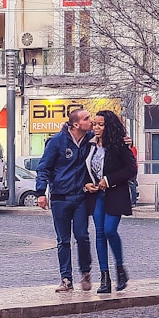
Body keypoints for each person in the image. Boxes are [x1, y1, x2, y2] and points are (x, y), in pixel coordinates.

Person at [33, 107, 95, 292]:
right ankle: (66, 279)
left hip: (81, 196)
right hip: (60, 197)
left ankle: (85, 272)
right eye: (87, 118)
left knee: (82, 235)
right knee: (63, 240)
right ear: (76, 124)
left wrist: (126, 141)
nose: (90, 121)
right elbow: (43, 167)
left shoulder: (90, 140)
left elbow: (111, 136)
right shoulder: (56, 142)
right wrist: (40, 192)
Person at [85, 110, 137, 294]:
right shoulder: (89, 144)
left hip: (115, 193)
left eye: (101, 124)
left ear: (109, 126)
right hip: (96, 195)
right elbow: (84, 169)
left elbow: (131, 169)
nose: (96, 128)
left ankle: (120, 269)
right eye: (95, 124)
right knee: (99, 234)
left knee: (109, 230)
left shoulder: (119, 144)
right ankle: (104, 277)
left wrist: (108, 180)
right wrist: (86, 184)